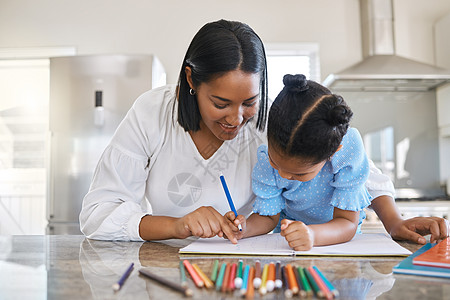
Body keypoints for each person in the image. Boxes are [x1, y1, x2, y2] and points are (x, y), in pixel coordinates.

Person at [79, 19, 447, 244]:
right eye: (220, 103)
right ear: (192, 80)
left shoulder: (278, 124)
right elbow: (97, 215)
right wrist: (176, 225)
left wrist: (394, 222)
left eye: (249, 102)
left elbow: (357, 169)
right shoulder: (151, 112)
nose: (237, 119)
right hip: (165, 266)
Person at [226, 75, 449, 249]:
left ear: (333, 152)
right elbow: (268, 216)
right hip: (290, 246)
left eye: (300, 174)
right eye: (277, 164)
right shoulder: (267, 160)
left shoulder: (346, 152)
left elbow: (347, 223)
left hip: (339, 243)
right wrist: (244, 228)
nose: (283, 176)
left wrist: (313, 235)